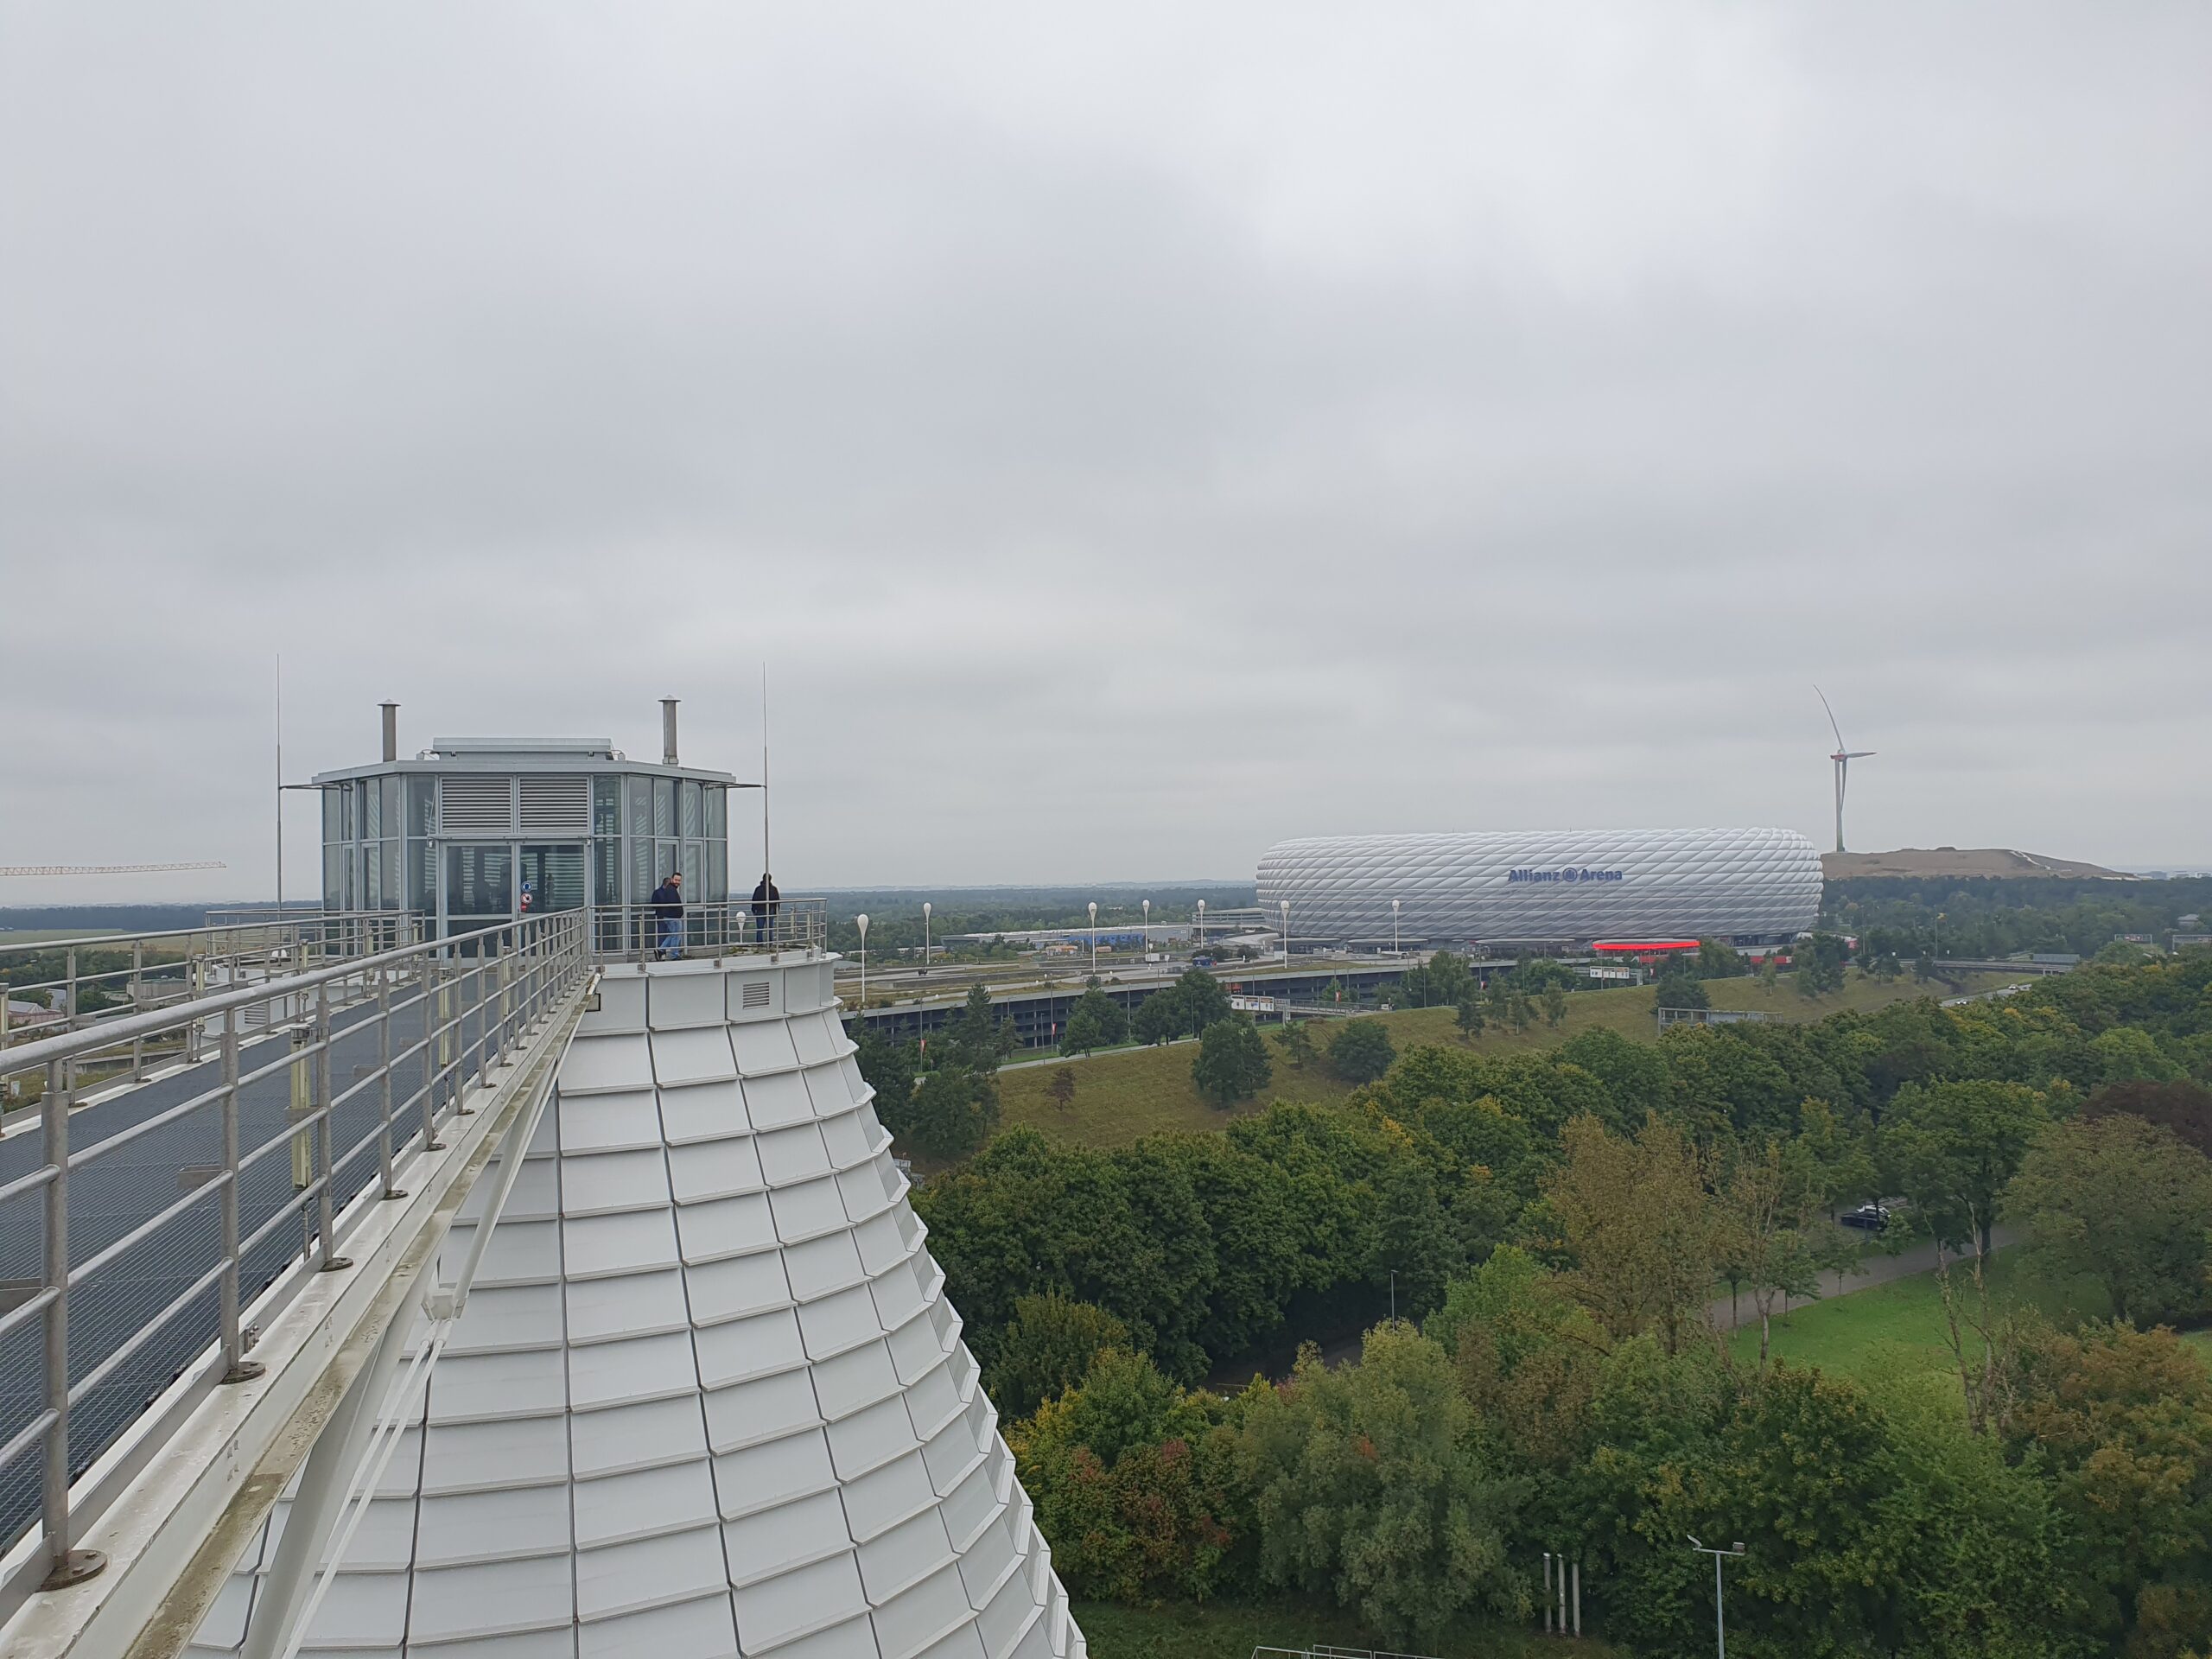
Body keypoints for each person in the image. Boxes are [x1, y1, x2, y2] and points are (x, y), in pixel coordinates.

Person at [650, 871, 684, 959]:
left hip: (670, 916)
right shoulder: (671, 889)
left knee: (673, 935)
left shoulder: (670, 889)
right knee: (676, 936)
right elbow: (673, 903)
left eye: (679, 880)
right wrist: (679, 911)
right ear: (672, 879)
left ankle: (661, 949)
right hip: (672, 917)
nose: (677, 882)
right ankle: (674, 955)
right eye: (676, 880)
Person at [751, 871, 781, 944]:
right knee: (770, 929)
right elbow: (777, 901)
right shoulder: (774, 889)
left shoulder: (758, 889)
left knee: (760, 929)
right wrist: (776, 911)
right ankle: (770, 943)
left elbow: (754, 900)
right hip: (770, 911)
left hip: (760, 911)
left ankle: (760, 944)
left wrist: (753, 910)